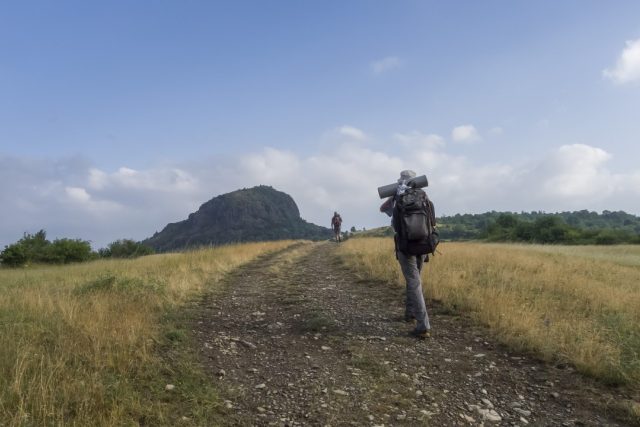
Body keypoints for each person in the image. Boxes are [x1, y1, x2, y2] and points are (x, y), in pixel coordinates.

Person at [379, 170, 432, 339]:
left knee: (413, 282)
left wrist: (394, 197)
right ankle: (410, 313)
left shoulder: (398, 195)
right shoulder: (423, 195)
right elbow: (432, 220)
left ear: (400, 181)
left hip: (405, 246)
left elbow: (382, 209)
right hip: (423, 244)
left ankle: (423, 326)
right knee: (415, 280)